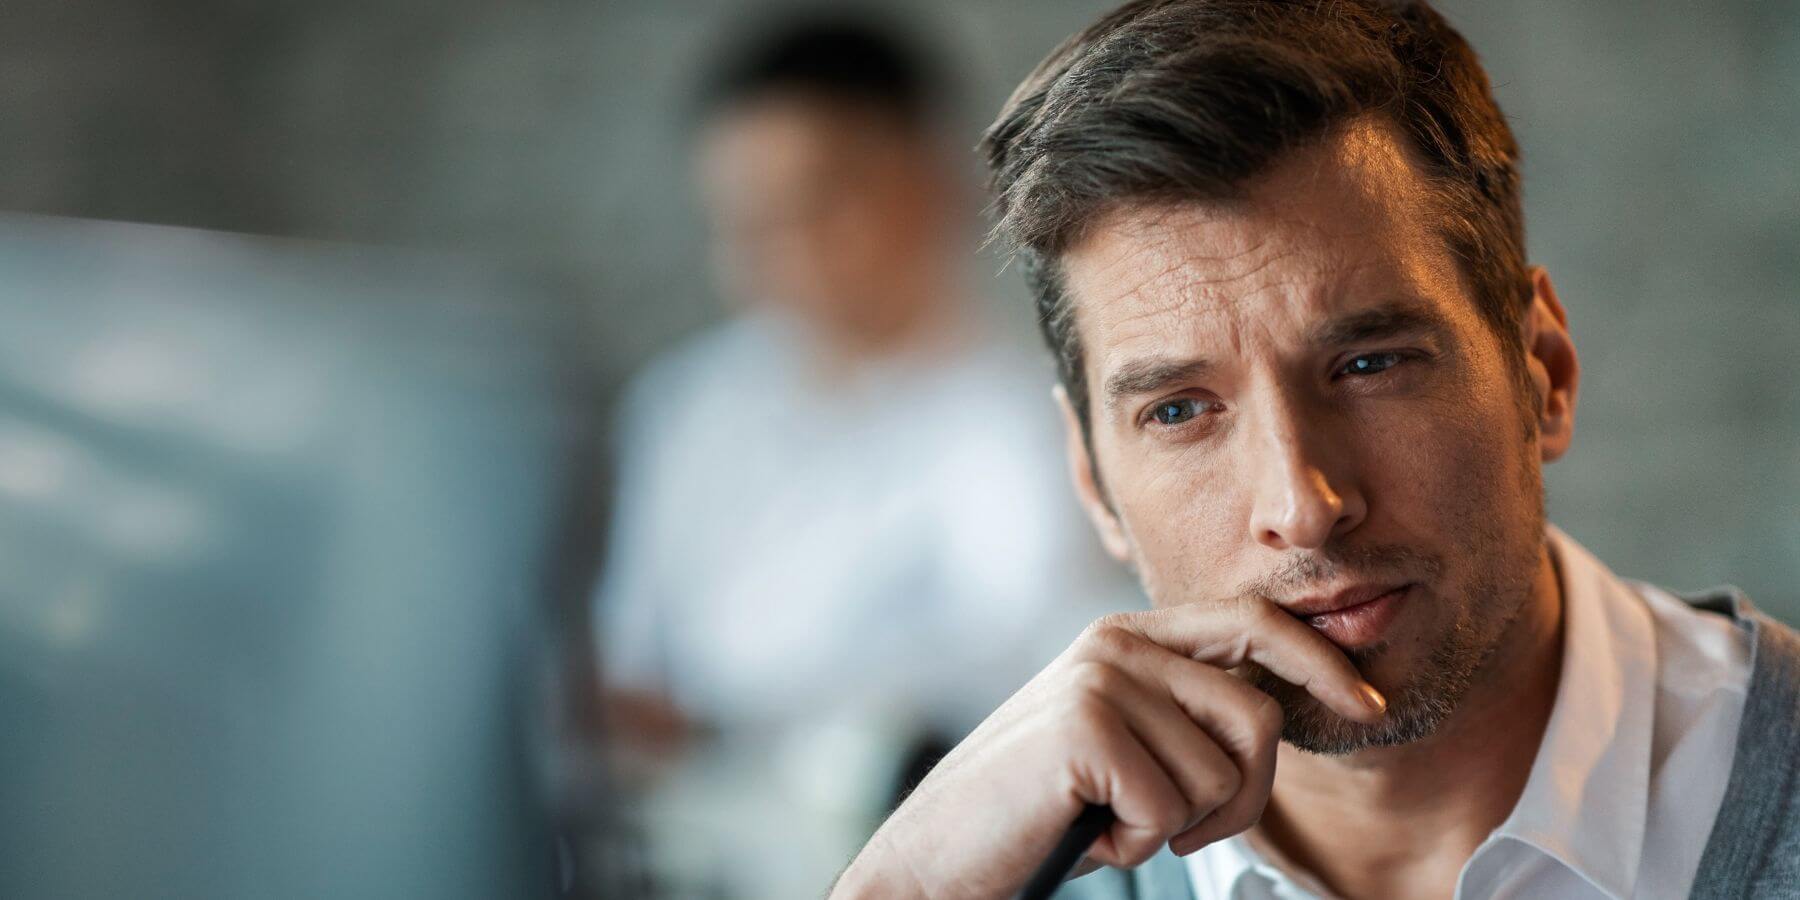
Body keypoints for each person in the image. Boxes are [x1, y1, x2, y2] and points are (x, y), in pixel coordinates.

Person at [832, 2, 1800, 898]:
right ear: (1091, 481)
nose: (1302, 504)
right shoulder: (1004, 869)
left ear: (1543, 371)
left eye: (1370, 363)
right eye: (1180, 411)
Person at [596, 16, 1121, 772]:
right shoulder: (686, 405)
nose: (784, 251)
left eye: (816, 206)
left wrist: (732, 728)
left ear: (934, 185)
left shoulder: (1028, 406)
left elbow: (1026, 663)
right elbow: (629, 647)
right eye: (747, 222)